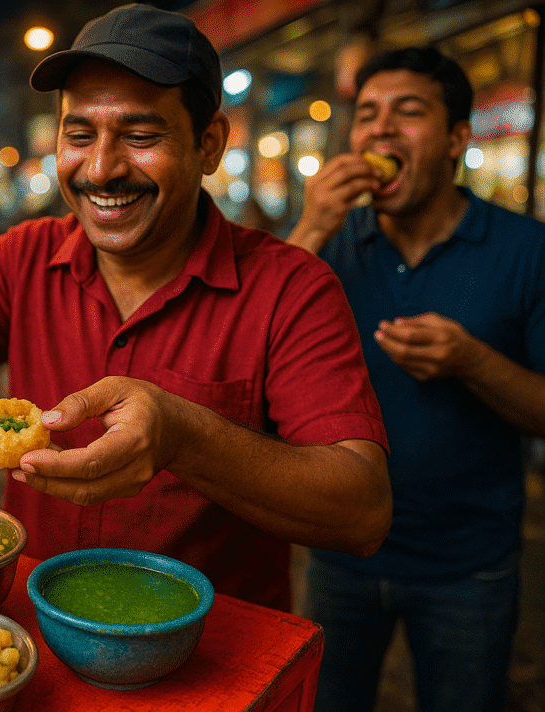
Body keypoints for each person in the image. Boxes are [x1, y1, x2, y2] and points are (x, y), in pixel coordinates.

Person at [0, 3, 391, 611]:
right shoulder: (24, 258)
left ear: (209, 145)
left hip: (211, 659)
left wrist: (183, 435)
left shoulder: (291, 287)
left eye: (141, 136)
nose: (101, 169)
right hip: (36, 637)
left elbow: (361, 511)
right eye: (79, 134)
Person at [287, 47, 545, 712]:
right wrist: (313, 225)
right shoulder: (330, 245)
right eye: (367, 115)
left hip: (470, 564)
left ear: (458, 137)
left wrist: (472, 361)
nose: (380, 130)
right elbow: (244, 350)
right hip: (341, 550)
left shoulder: (526, 250)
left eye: (408, 112)